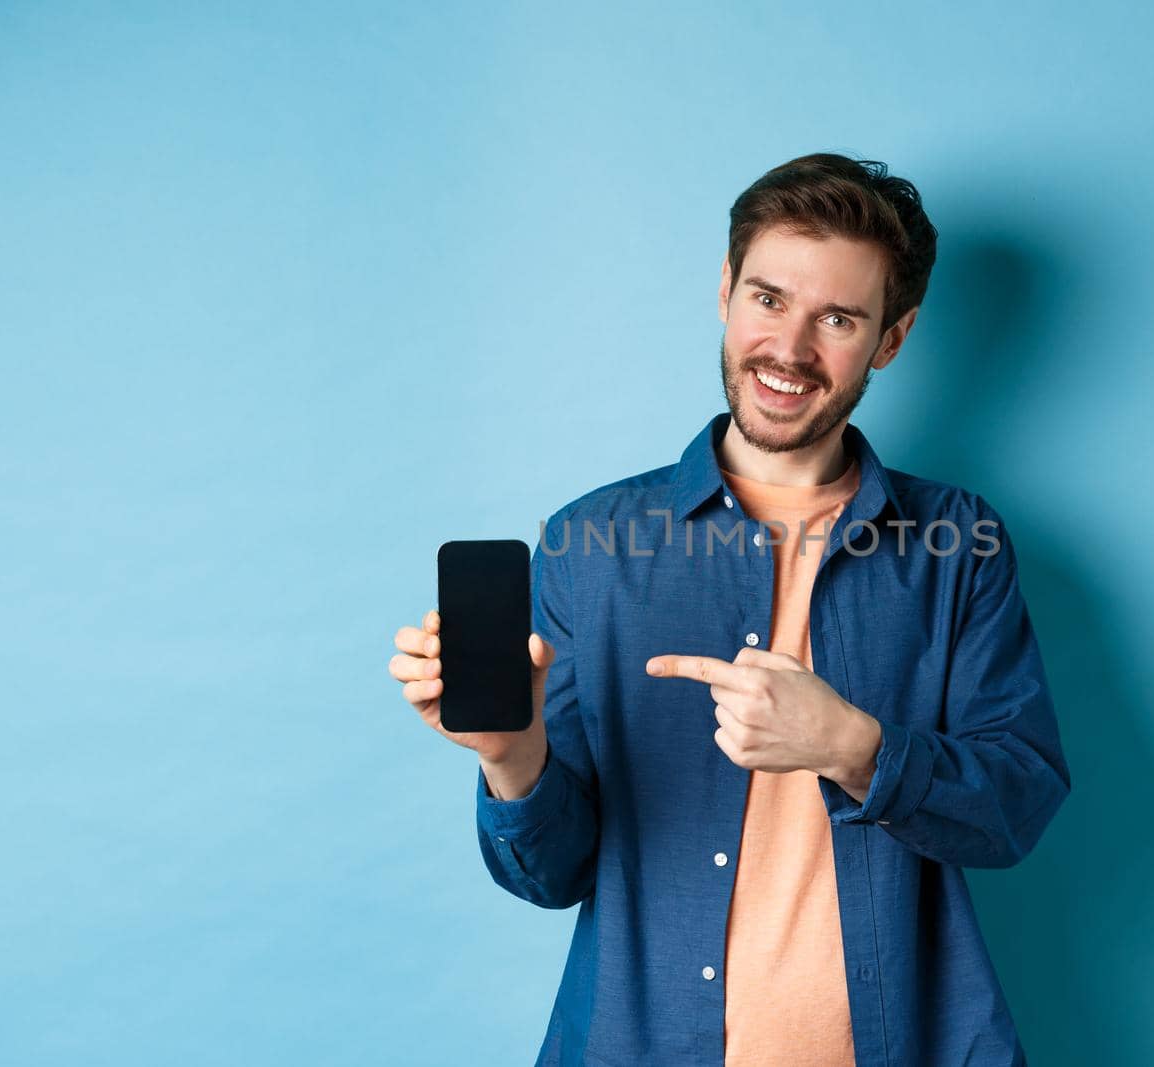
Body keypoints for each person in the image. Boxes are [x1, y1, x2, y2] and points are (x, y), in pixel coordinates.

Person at [387, 152, 1072, 1066]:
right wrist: (512, 756)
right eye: (769, 298)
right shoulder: (590, 543)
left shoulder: (960, 542)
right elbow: (550, 873)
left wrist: (851, 745)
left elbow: (1015, 805)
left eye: (837, 318)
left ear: (893, 337)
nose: (788, 350)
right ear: (725, 289)